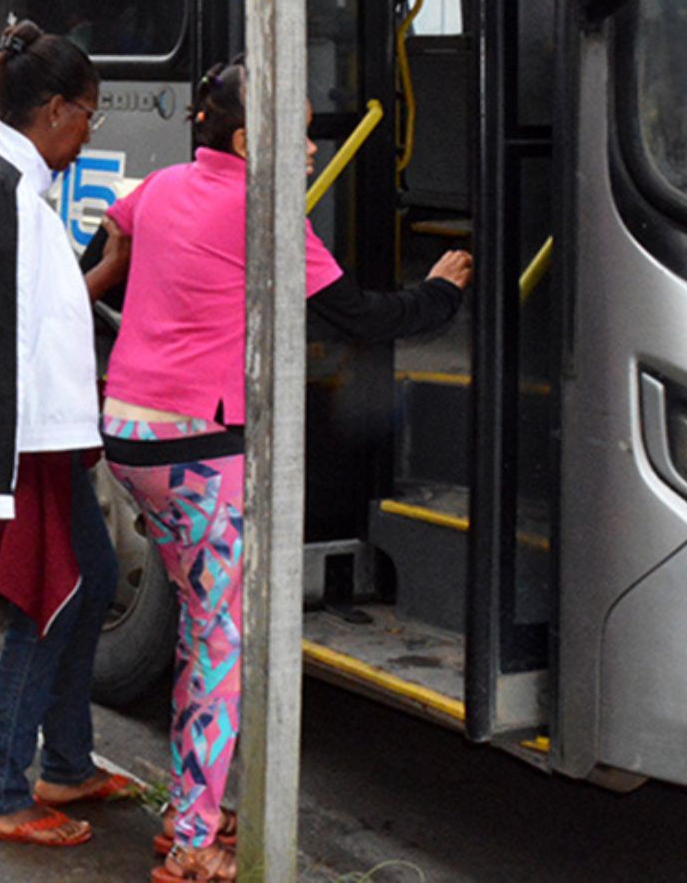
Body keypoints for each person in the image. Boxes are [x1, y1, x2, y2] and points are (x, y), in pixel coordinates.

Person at [98, 59, 470, 881]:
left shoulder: (161, 186)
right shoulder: (261, 213)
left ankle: (190, 811)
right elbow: (360, 315)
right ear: (244, 140)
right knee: (218, 643)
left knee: (203, 625)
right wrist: (441, 294)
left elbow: (117, 234)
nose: (309, 150)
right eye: (296, 134)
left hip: (127, 436)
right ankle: (192, 843)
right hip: (200, 451)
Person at [0, 19, 137, 850]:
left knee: (93, 574)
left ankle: (67, 763)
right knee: (49, 598)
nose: (89, 131)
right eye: (89, 114)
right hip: (17, 440)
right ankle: (0, 791)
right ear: (52, 111)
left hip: (32, 435)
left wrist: (102, 270)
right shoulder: (1, 193)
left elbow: (25, 313)